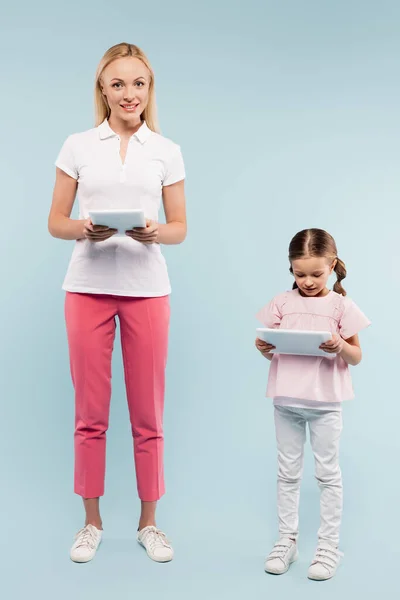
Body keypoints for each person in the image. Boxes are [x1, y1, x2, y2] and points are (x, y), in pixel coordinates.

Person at [48, 42, 186, 564]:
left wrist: (154, 231)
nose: (130, 93)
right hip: (86, 288)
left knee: (148, 414)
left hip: (147, 291)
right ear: (103, 90)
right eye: (119, 84)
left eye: (139, 84)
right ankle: (91, 522)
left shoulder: (166, 150)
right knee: (90, 414)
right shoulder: (79, 145)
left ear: (149, 90)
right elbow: (55, 221)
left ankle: (149, 524)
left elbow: (180, 227)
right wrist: (86, 226)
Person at [255, 228, 370, 581]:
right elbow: (272, 343)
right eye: (299, 273)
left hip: (324, 403)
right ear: (290, 269)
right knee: (287, 473)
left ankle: (328, 545)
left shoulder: (340, 306)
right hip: (286, 399)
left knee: (326, 474)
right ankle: (286, 540)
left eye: (316, 274)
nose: (307, 281)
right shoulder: (282, 302)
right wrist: (264, 349)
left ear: (332, 266)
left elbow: (356, 356)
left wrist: (340, 347)